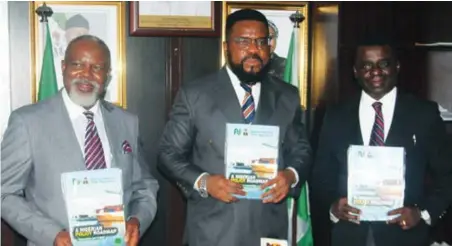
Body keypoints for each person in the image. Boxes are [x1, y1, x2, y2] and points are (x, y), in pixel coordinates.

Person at [158, 9, 312, 246]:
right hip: (213, 230)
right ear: (226, 46)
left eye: (262, 41)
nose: (253, 49)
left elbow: (301, 150)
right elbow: (168, 155)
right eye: (243, 41)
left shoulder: (287, 96)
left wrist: (291, 176)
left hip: (269, 229)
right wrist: (204, 181)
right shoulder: (195, 95)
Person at [1, 35, 159, 246]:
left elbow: (144, 186)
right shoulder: (28, 122)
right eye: (77, 65)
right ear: (63, 67)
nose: (86, 75)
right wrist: (53, 235)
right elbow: (4, 193)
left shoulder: (126, 122)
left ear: (107, 75)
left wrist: (137, 220)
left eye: (97, 67)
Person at [311, 37, 452, 246]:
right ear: (355, 71)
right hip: (349, 236)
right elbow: (321, 177)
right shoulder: (335, 116)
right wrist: (333, 207)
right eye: (366, 65)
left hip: (406, 237)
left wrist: (423, 214)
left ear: (396, 66)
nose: (375, 71)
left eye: (383, 64)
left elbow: (447, 174)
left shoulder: (424, 114)